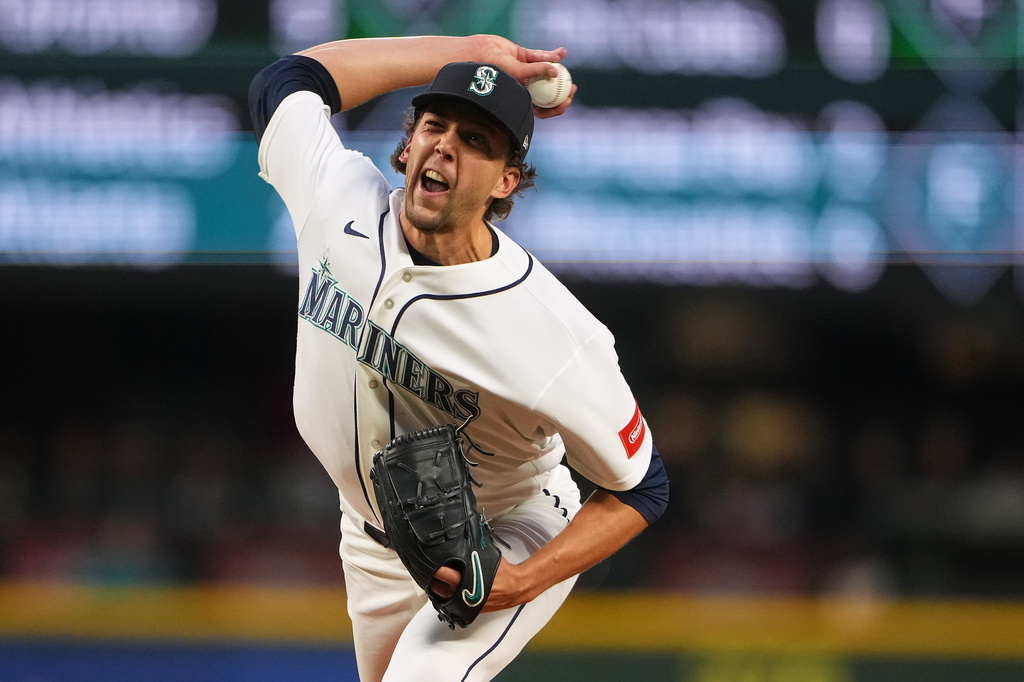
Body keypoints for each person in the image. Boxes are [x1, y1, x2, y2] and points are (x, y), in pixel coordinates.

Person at [248, 34, 669, 681]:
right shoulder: (338, 202)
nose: (446, 143)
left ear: (507, 181)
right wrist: (467, 51)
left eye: (476, 139)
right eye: (434, 125)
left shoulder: (547, 328)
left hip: (507, 531)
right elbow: (290, 78)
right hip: (370, 544)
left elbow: (641, 485)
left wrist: (525, 580)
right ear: (409, 143)